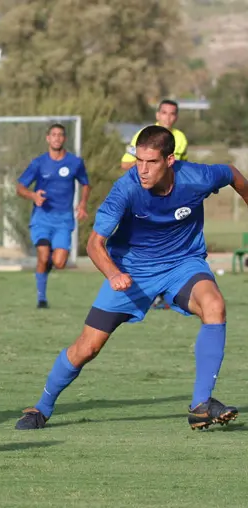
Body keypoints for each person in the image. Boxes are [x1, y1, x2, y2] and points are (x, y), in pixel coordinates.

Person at [15, 125, 246, 432]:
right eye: (139, 161)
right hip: (132, 271)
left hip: (183, 264)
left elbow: (232, 174)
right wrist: (113, 273)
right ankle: (41, 408)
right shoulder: (126, 189)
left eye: (151, 162)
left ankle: (201, 405)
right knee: (88, 348)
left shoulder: (197, 178)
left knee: (214, 305)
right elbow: (94, 244)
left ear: (169, 160)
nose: (143, 169)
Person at [122, 99, 189, 310]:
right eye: (164, 113)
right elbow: (125, 163)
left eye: (172, 114)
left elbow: (182, 168)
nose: (168, 117)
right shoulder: (145, 135)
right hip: (146, 198)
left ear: (176, 117)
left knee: (170, 242)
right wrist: (149, 172)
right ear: (157, 115)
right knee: (146, 243)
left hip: (171, 200)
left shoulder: (180, 138)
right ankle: (142, 289)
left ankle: (165, 291)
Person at [16, 123, 91, 309]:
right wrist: (33, 196)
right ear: (47, 138)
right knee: (42, 255)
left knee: (59, 262)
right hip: (42, 218)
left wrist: (82, 204)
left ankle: (46, 265)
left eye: (60, 135)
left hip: (64, 219)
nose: (57, 138)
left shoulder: (75, 162)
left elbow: (85, 184)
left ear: (64, 139)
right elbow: (20, 187)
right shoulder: (39, 163)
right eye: (53, 135)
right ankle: (41, 298)